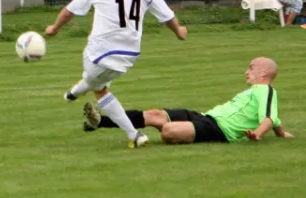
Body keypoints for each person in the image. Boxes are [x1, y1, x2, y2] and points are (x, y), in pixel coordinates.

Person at [44, 0, 187, 148]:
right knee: (98, 81)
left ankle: (134, 135)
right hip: (130, 52)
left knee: (98, 87)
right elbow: (167, 16)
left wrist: (54, 28)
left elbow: (70, 10)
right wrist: (179, 31)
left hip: (100, 49)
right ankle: (72, 93)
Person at [82, 57, 293, 144]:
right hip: (205, 117)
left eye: (251, 67)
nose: (247, 71)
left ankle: (135, 131)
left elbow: (267, 117)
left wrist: (257, 134)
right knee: (155, 114)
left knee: (168, 131)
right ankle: (101, 121)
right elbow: (274, 118)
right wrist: (282, 133)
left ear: (264, 72)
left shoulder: (265, 89)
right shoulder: (258, 92)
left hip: (220, 131)